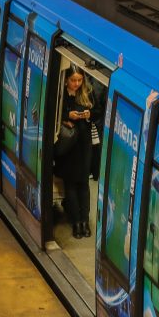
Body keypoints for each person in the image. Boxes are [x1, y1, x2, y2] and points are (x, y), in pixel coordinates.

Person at [57, 65, 100, 239]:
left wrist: (88, 115)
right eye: (73, 80)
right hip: (68, 145)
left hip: (84, 144)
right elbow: (54, 113)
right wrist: (68, 116)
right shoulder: (60, 94)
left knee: (83, 183)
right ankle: (76, 222)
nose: (76, 84)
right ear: (66, 79)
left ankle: (84, 221)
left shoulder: (87, 93)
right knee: (71, 184)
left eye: (79, 80)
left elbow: (98, 113)